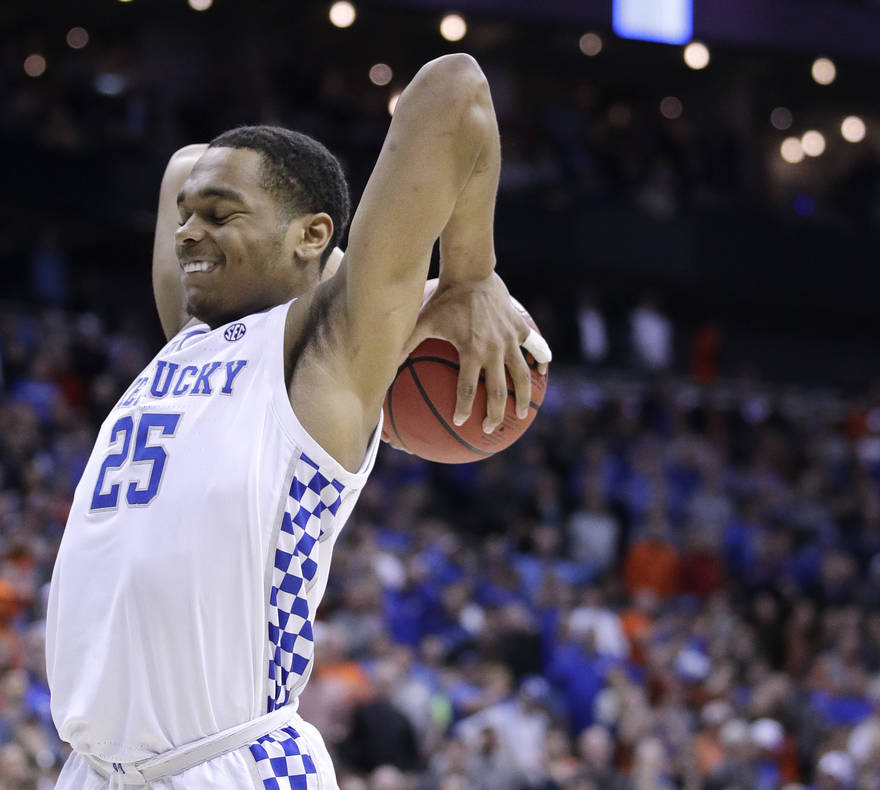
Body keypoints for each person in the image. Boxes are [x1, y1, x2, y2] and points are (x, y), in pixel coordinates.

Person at [46, 53, 550, 789]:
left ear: (312, 236)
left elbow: (457, 89)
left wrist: (470, 272)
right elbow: (183, 166)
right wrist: (239, 207)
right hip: (94, 771)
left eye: (219, 216)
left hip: (226, 767)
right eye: (189, 217)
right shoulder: (186, 335)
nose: (186, 232)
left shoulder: (324, 362)